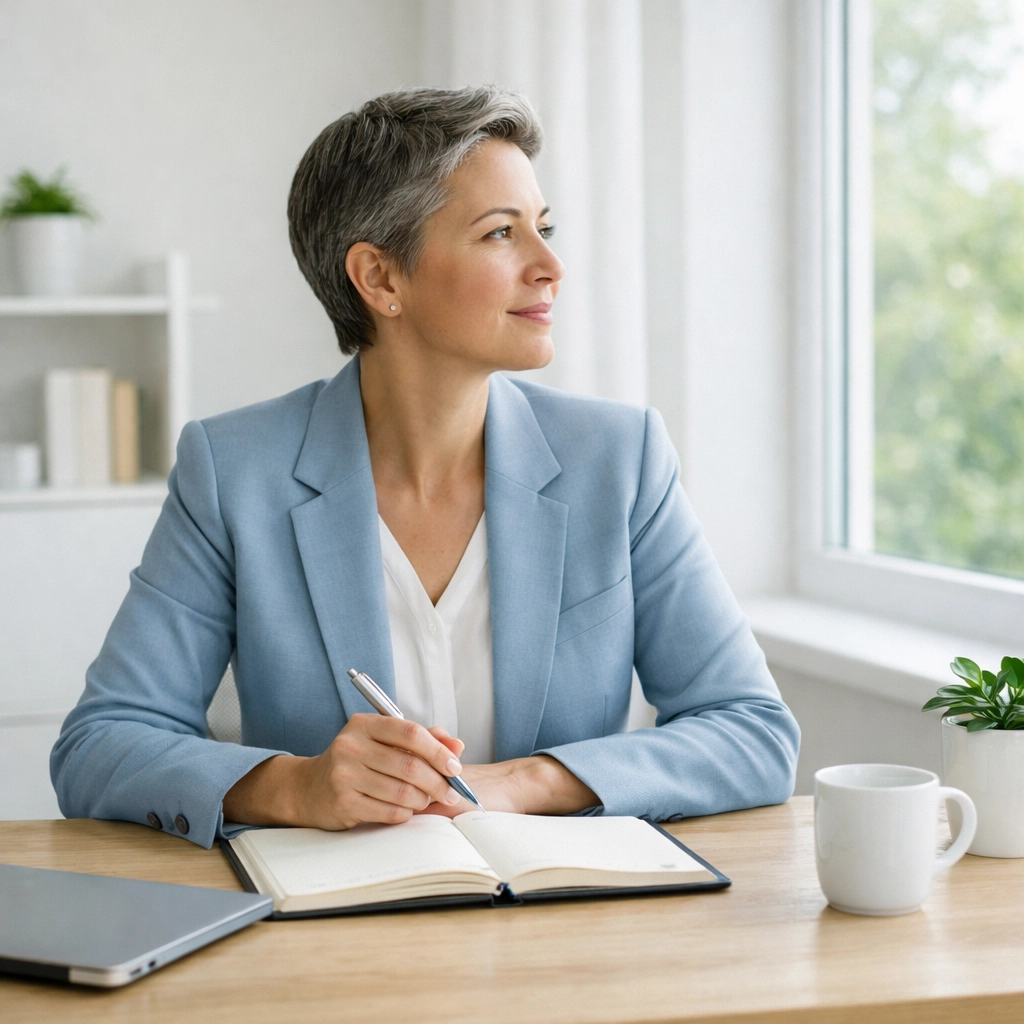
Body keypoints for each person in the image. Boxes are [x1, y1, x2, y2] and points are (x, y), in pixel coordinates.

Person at [51, 86, 799, 848]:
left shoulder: (620, 458)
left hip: (571, 929)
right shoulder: (234, 472)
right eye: (501, 234)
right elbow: (101, 744)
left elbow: (752, 732)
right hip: (336, 933)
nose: (550, 266)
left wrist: (528, 782)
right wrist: (296, 786)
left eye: (543, 228)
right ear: (380, 279)